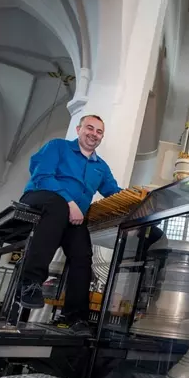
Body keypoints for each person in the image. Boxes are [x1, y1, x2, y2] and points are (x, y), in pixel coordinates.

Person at [18, 114, 122, 335]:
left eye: (99, 131)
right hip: (40, 199)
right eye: (90, 128)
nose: (94, 134)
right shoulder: (58, 147)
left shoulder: (101, 167)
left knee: (83, 254)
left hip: (71, 217)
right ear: (78, 129)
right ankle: (31, 283)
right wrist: (70, 202)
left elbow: (113, 192)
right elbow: (43, 176)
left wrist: (140, 197)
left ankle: (75, 316)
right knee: (57, 205)